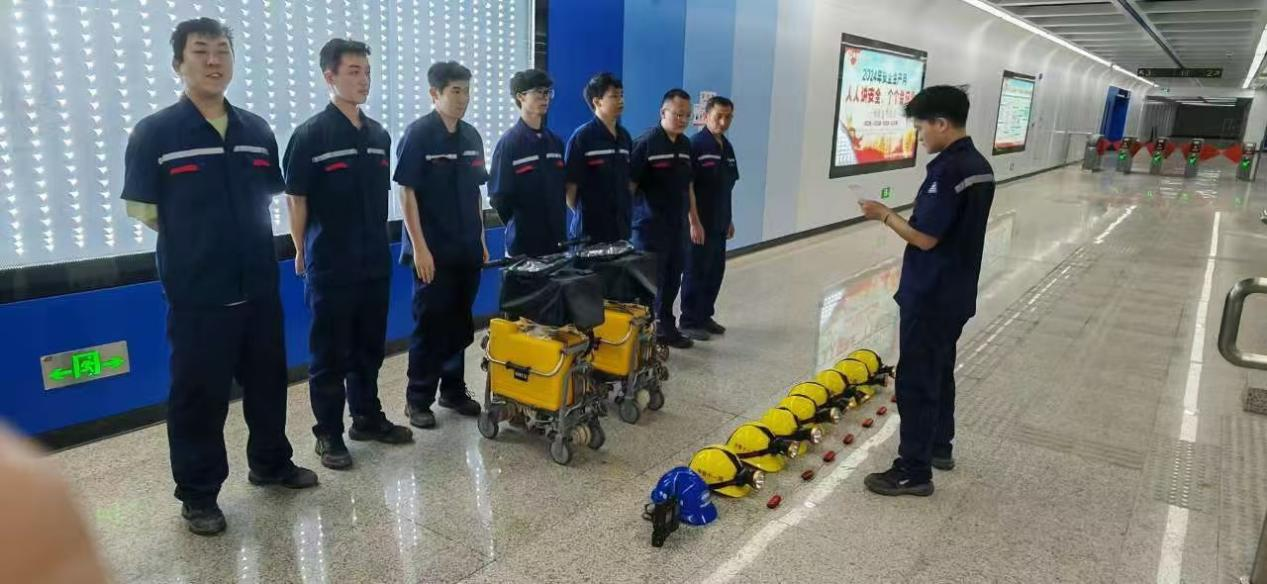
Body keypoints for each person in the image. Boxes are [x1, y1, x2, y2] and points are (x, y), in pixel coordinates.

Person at [121, 18, 317, 536]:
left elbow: (265, 195)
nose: (214, 60)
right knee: (199, 396)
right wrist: (198, 248)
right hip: (198, 294)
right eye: (201, 51)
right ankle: (199, 493)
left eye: (222, 50)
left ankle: (270, 463)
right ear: (178, 63)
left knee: (268, 383)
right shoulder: (155, 133)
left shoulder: (256, 130)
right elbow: (146, 211)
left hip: (258, 284)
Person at [283, 39, 413, 471]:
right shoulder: (310, 136)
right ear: (330, 76)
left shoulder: (378, 135)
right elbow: (296, 200)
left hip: (373, 259)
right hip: (331, 262)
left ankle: (367, 417)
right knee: (329, 353)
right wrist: (300, 250)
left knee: (368, 346)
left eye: (367, 72)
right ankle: (328, 433)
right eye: (354, 71)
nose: (363, 80)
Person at [859, 85, 995, 497]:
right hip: (956, 291)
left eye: (921, 128)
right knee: (939, 368)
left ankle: (913, 470)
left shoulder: (948, 171)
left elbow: (924, 238)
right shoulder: (980, 166)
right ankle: (939, 445)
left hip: (932, 292)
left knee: (916, 378)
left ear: (941, 123)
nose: (919, 136)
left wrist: (883, 214)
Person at [394, 61, 488, 429]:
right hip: (432, 251)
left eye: (467, 91)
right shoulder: (418, 135)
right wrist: (419, 248)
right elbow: (406, 193)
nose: (463, 98)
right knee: (430, 324)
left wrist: (481, 240)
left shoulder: (471, 137)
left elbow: (476, 193)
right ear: (435, 94)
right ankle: (417, 398)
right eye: (455, 91)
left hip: (466, 248)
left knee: (460, 322)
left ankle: (452, 390)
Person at [630, 89, 706, 350]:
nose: (683, 119)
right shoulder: (646, 143)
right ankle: (642, 336)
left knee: (673, 279)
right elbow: (629, 187)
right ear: (663, 112)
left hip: (677, 228)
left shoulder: (685, 145)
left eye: (687, 115)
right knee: (649, 284)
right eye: (677, 114)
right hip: (649, 228)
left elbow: (688, 186)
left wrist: (694, 220)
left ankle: (665, 327)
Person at [489, 69, 568, 257]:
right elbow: (499, 199)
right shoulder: (509, 144)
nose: (545, 98)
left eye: (548, 92)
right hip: (523, 247)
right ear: (521, 96)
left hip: (557, 242)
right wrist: (521, 224)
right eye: (539, 92)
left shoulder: (555, 142)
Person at [680, 96, 739, 341]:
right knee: (696, 270)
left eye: (728, 117)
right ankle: (689, 321)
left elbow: (727, 186)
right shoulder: (696, 145)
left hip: (719, 222)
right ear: (706, 116)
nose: (723, 122)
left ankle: (705, 316)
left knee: (715, 271)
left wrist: (729, 219)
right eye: (718, 117)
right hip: (700, 223)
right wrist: (693, 222)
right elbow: (688, 187)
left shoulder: (727, 147)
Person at [565, 73, 635, 244]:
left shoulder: (624, 136)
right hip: (590, 232)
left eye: (621, 95)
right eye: (614, 96)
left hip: (620, 230)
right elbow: (570, 191)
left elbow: (628, 181)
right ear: (597, 101)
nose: (620, 101)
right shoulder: (582, 137)